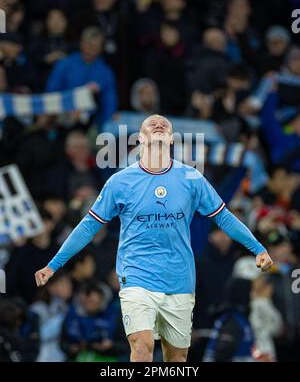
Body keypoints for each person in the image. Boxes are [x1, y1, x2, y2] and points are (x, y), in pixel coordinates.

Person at [35, 114, 273, 362]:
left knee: (177, 358)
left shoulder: (191, 177)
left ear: (171, 138)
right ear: (140, 138)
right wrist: (54, 265)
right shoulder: (120, 181)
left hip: (179, 277)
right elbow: (87, 227)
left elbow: (224, 218)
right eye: (152, 124)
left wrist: (258, 248)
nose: (159, 125)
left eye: (164, 125)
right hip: (137, 274)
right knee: (142, 346)